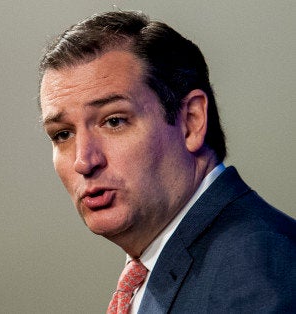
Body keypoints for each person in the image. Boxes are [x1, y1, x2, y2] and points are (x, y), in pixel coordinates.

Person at [38, 11, 296, 313]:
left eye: (114, 121)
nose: (84, 161)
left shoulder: (261, 272)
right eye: (63, 134)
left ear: (191, 121)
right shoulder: (165, 266)